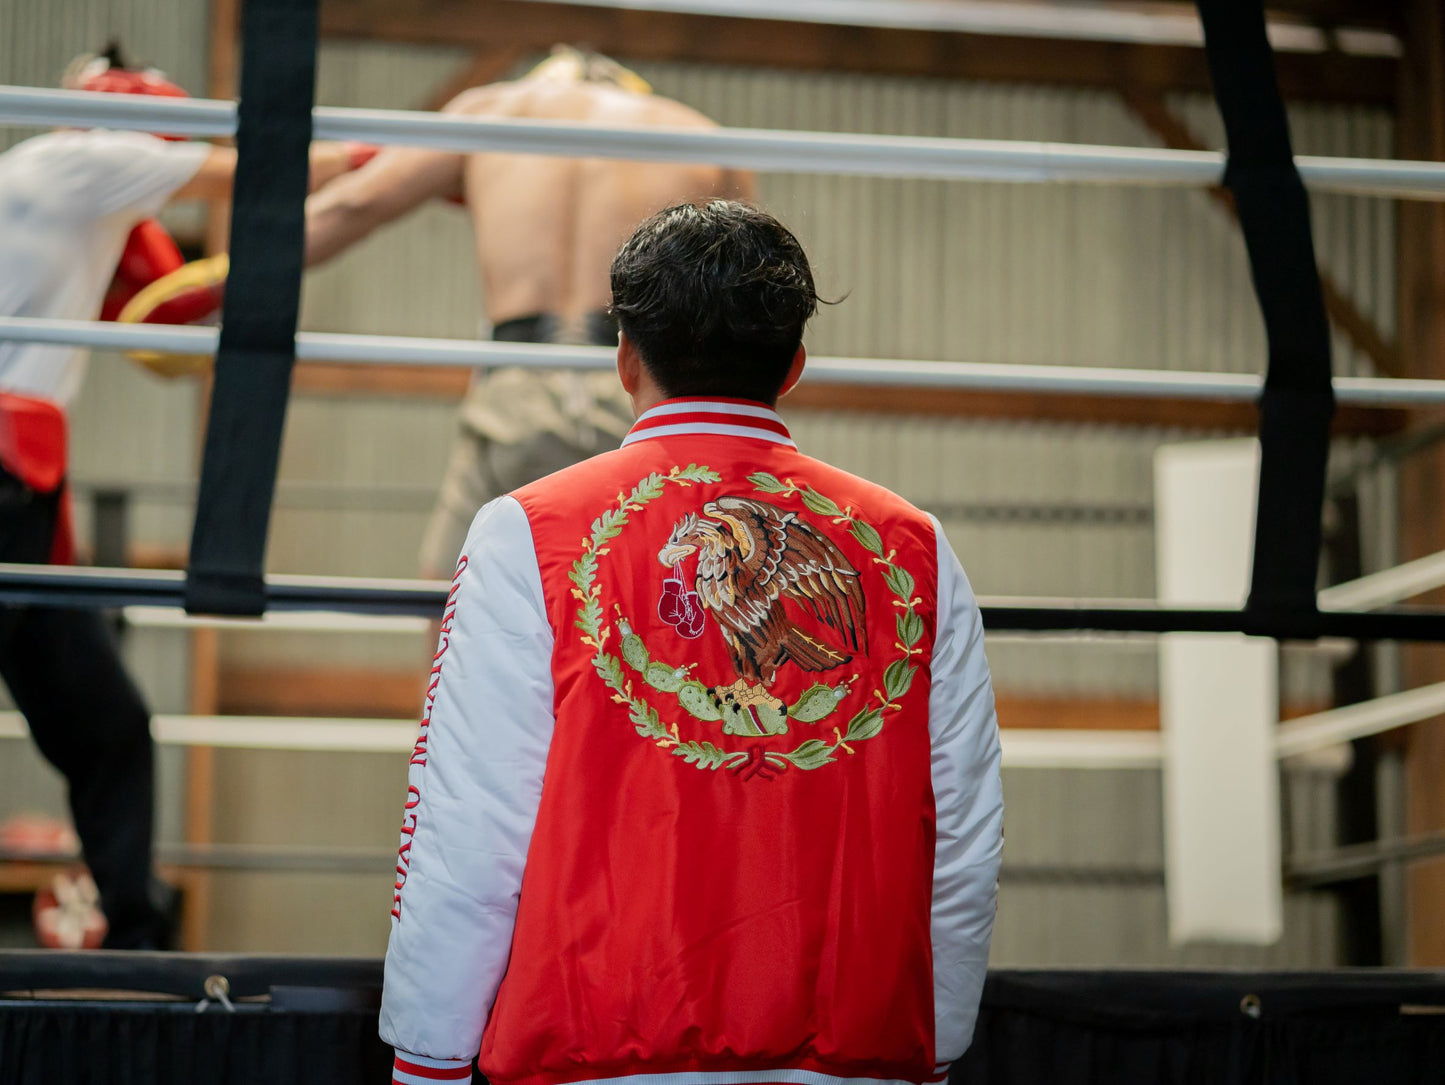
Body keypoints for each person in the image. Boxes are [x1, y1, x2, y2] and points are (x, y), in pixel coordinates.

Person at [380, 201, 1004, 1085]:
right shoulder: (912, 548)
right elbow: (963, 832)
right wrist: (931, 1043)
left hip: (593, 1049)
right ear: (792, 365)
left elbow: (467, 821)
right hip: (851, 1053)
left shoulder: (528, 530)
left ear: (625, 355)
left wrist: (427, 1057)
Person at [0, 42, 361, 948]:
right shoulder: (86, 158)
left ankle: (136, 937)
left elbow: (163, 315)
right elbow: (268, 166)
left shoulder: (92, 200)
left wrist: (299, 253)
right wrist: (402, 160)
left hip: (27, 483)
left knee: (107, 724)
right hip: (9, 470)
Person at [302, 46, 754, 577]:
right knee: (646, 594)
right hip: (640, 390)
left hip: (517, 393)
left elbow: (349, 206)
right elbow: (744, 293)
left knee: (453, 591)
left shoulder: (493, 111)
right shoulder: (698, 134)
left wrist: (223, 288)